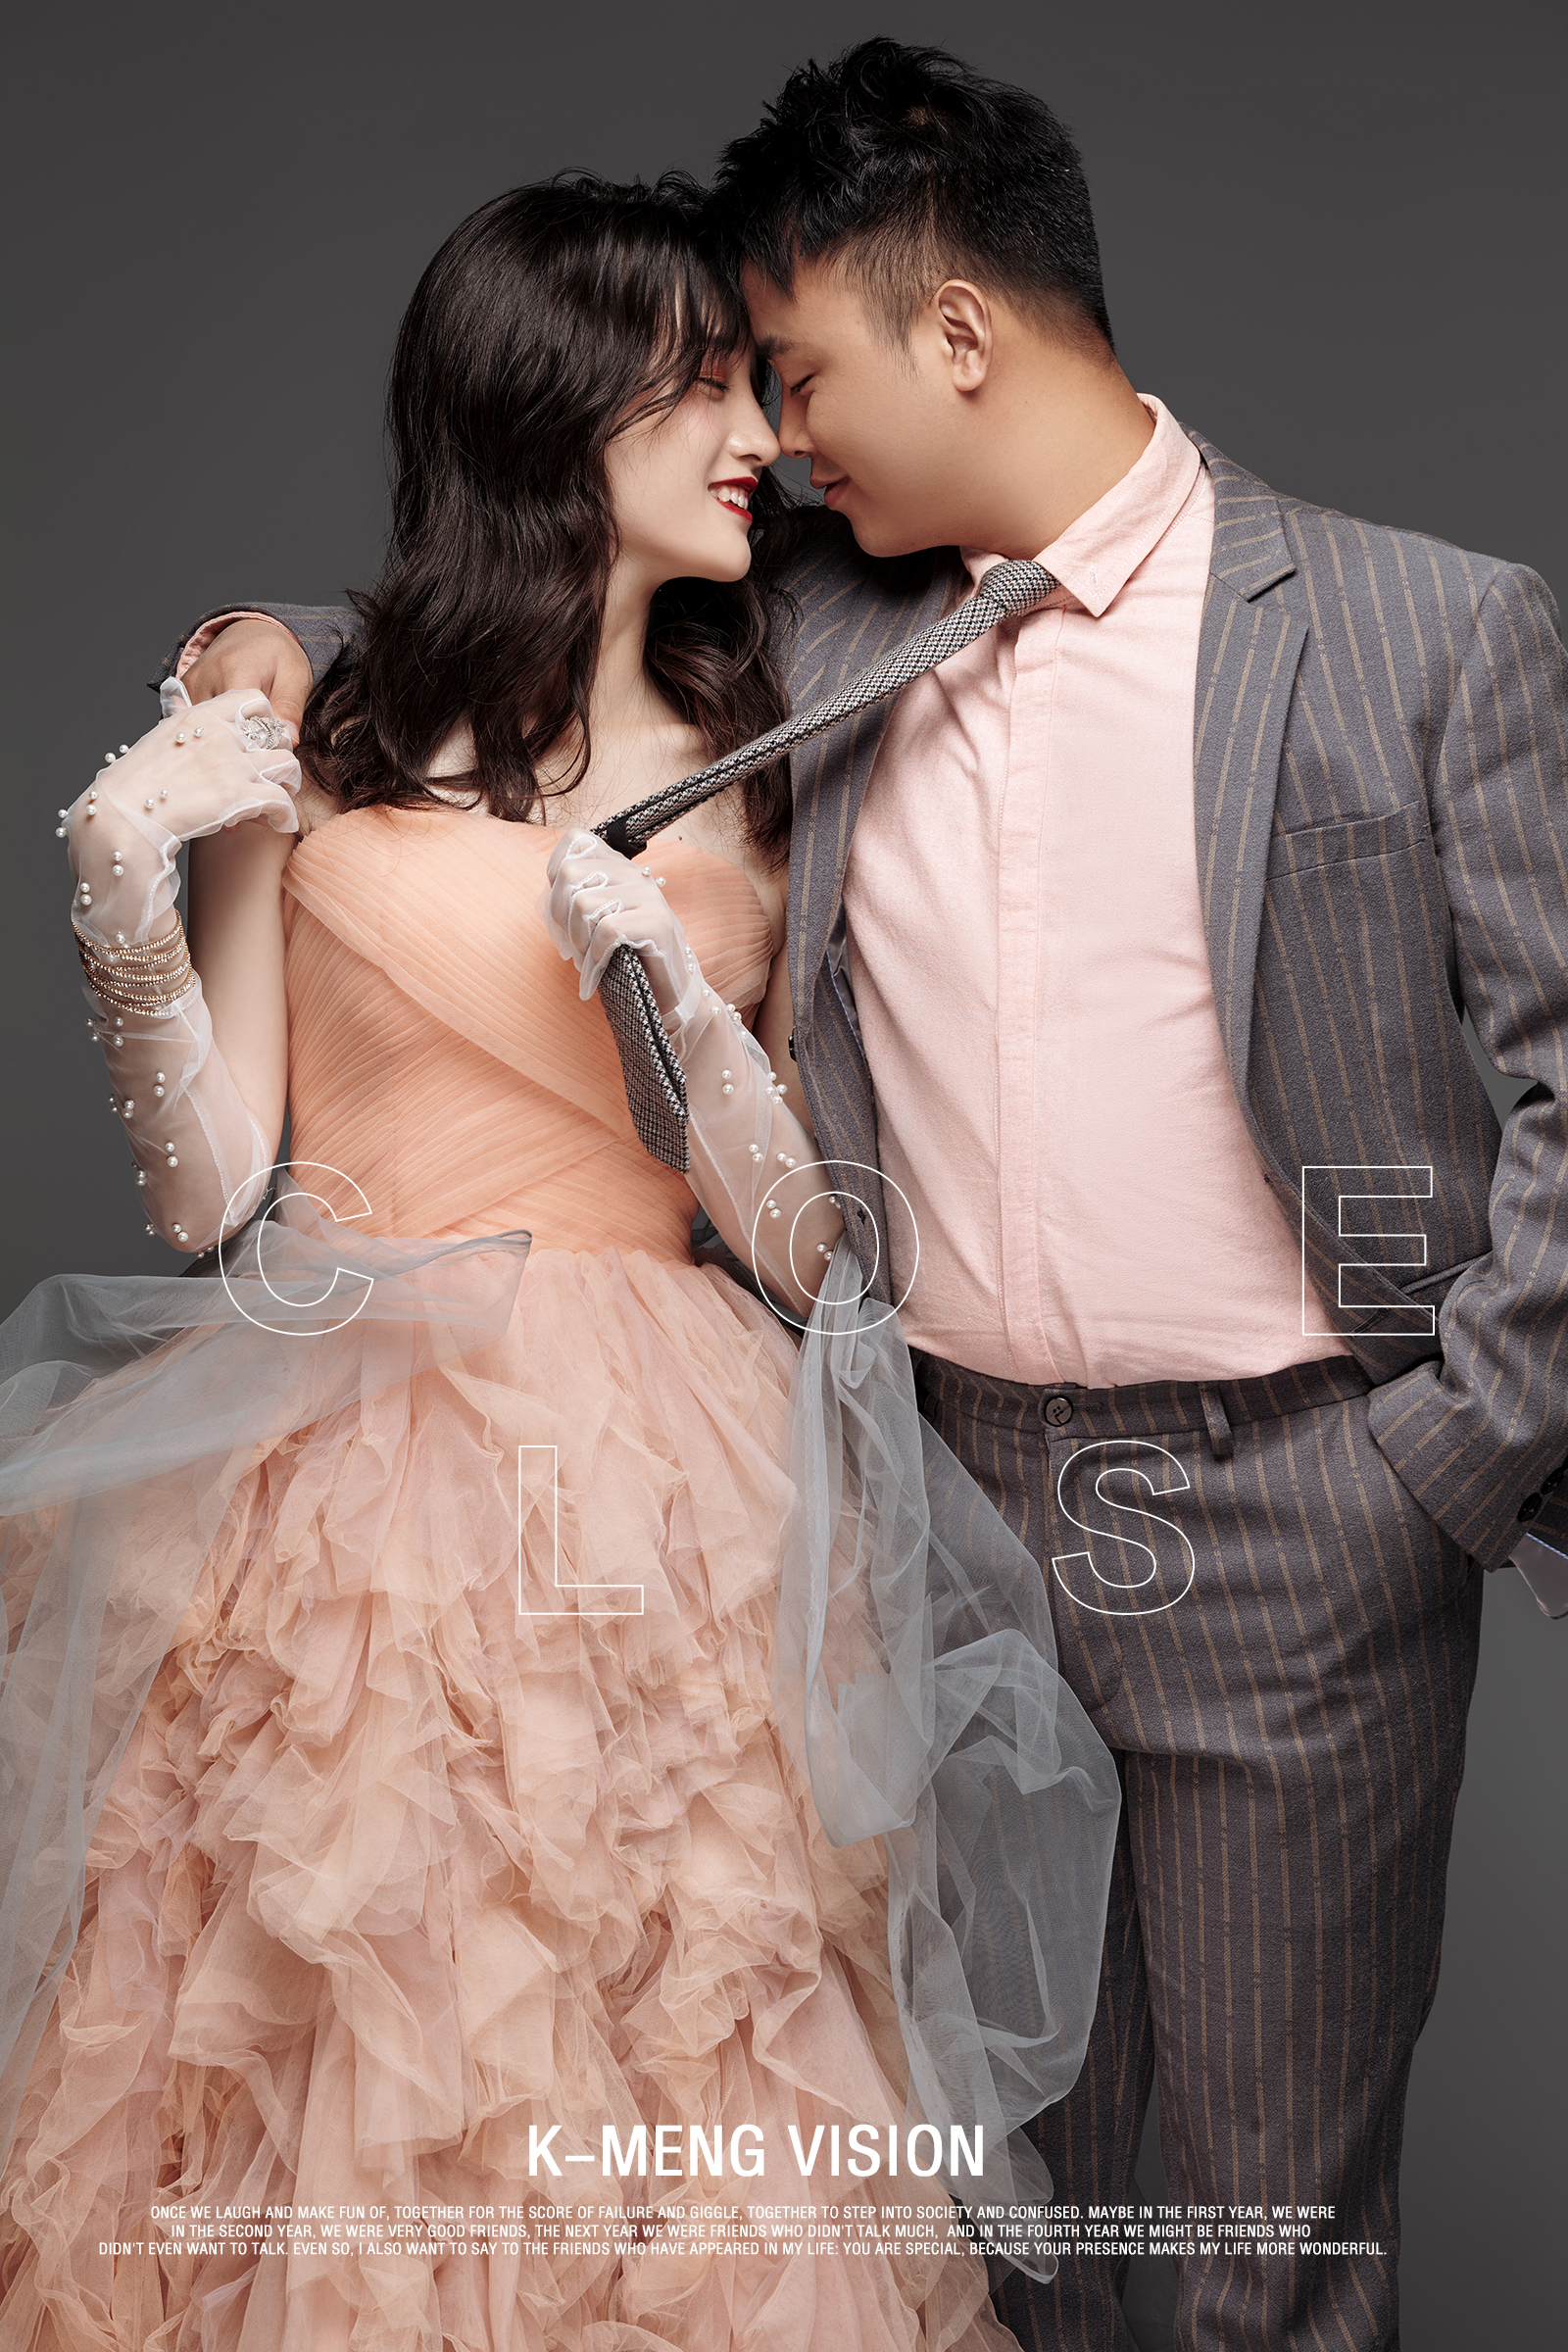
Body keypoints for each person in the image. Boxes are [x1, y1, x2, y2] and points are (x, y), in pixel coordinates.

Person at [180, 39, 1568, 2352]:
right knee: (974, 2227)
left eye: (796, 370)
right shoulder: (817, 624)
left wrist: (1435, 1463)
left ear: (956, 332)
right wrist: (278, 647)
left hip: (1305, 1519)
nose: (777, 432)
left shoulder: (1421, 629)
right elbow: (528, 585)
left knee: (1268, 2252)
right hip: (924, 1511)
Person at [0, 172, 1121, 2350]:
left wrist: (683, 1015)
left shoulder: (769, 755)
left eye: (759, 385)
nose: (760, 436)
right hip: (345, 1474)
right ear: (551, 404)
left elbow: (815, 1248)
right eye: (704, 385)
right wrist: (125, 896)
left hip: (670, 1474)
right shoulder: (318, 743)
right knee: (359, 2034)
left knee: (682, 2016)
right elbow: (211, 1196)